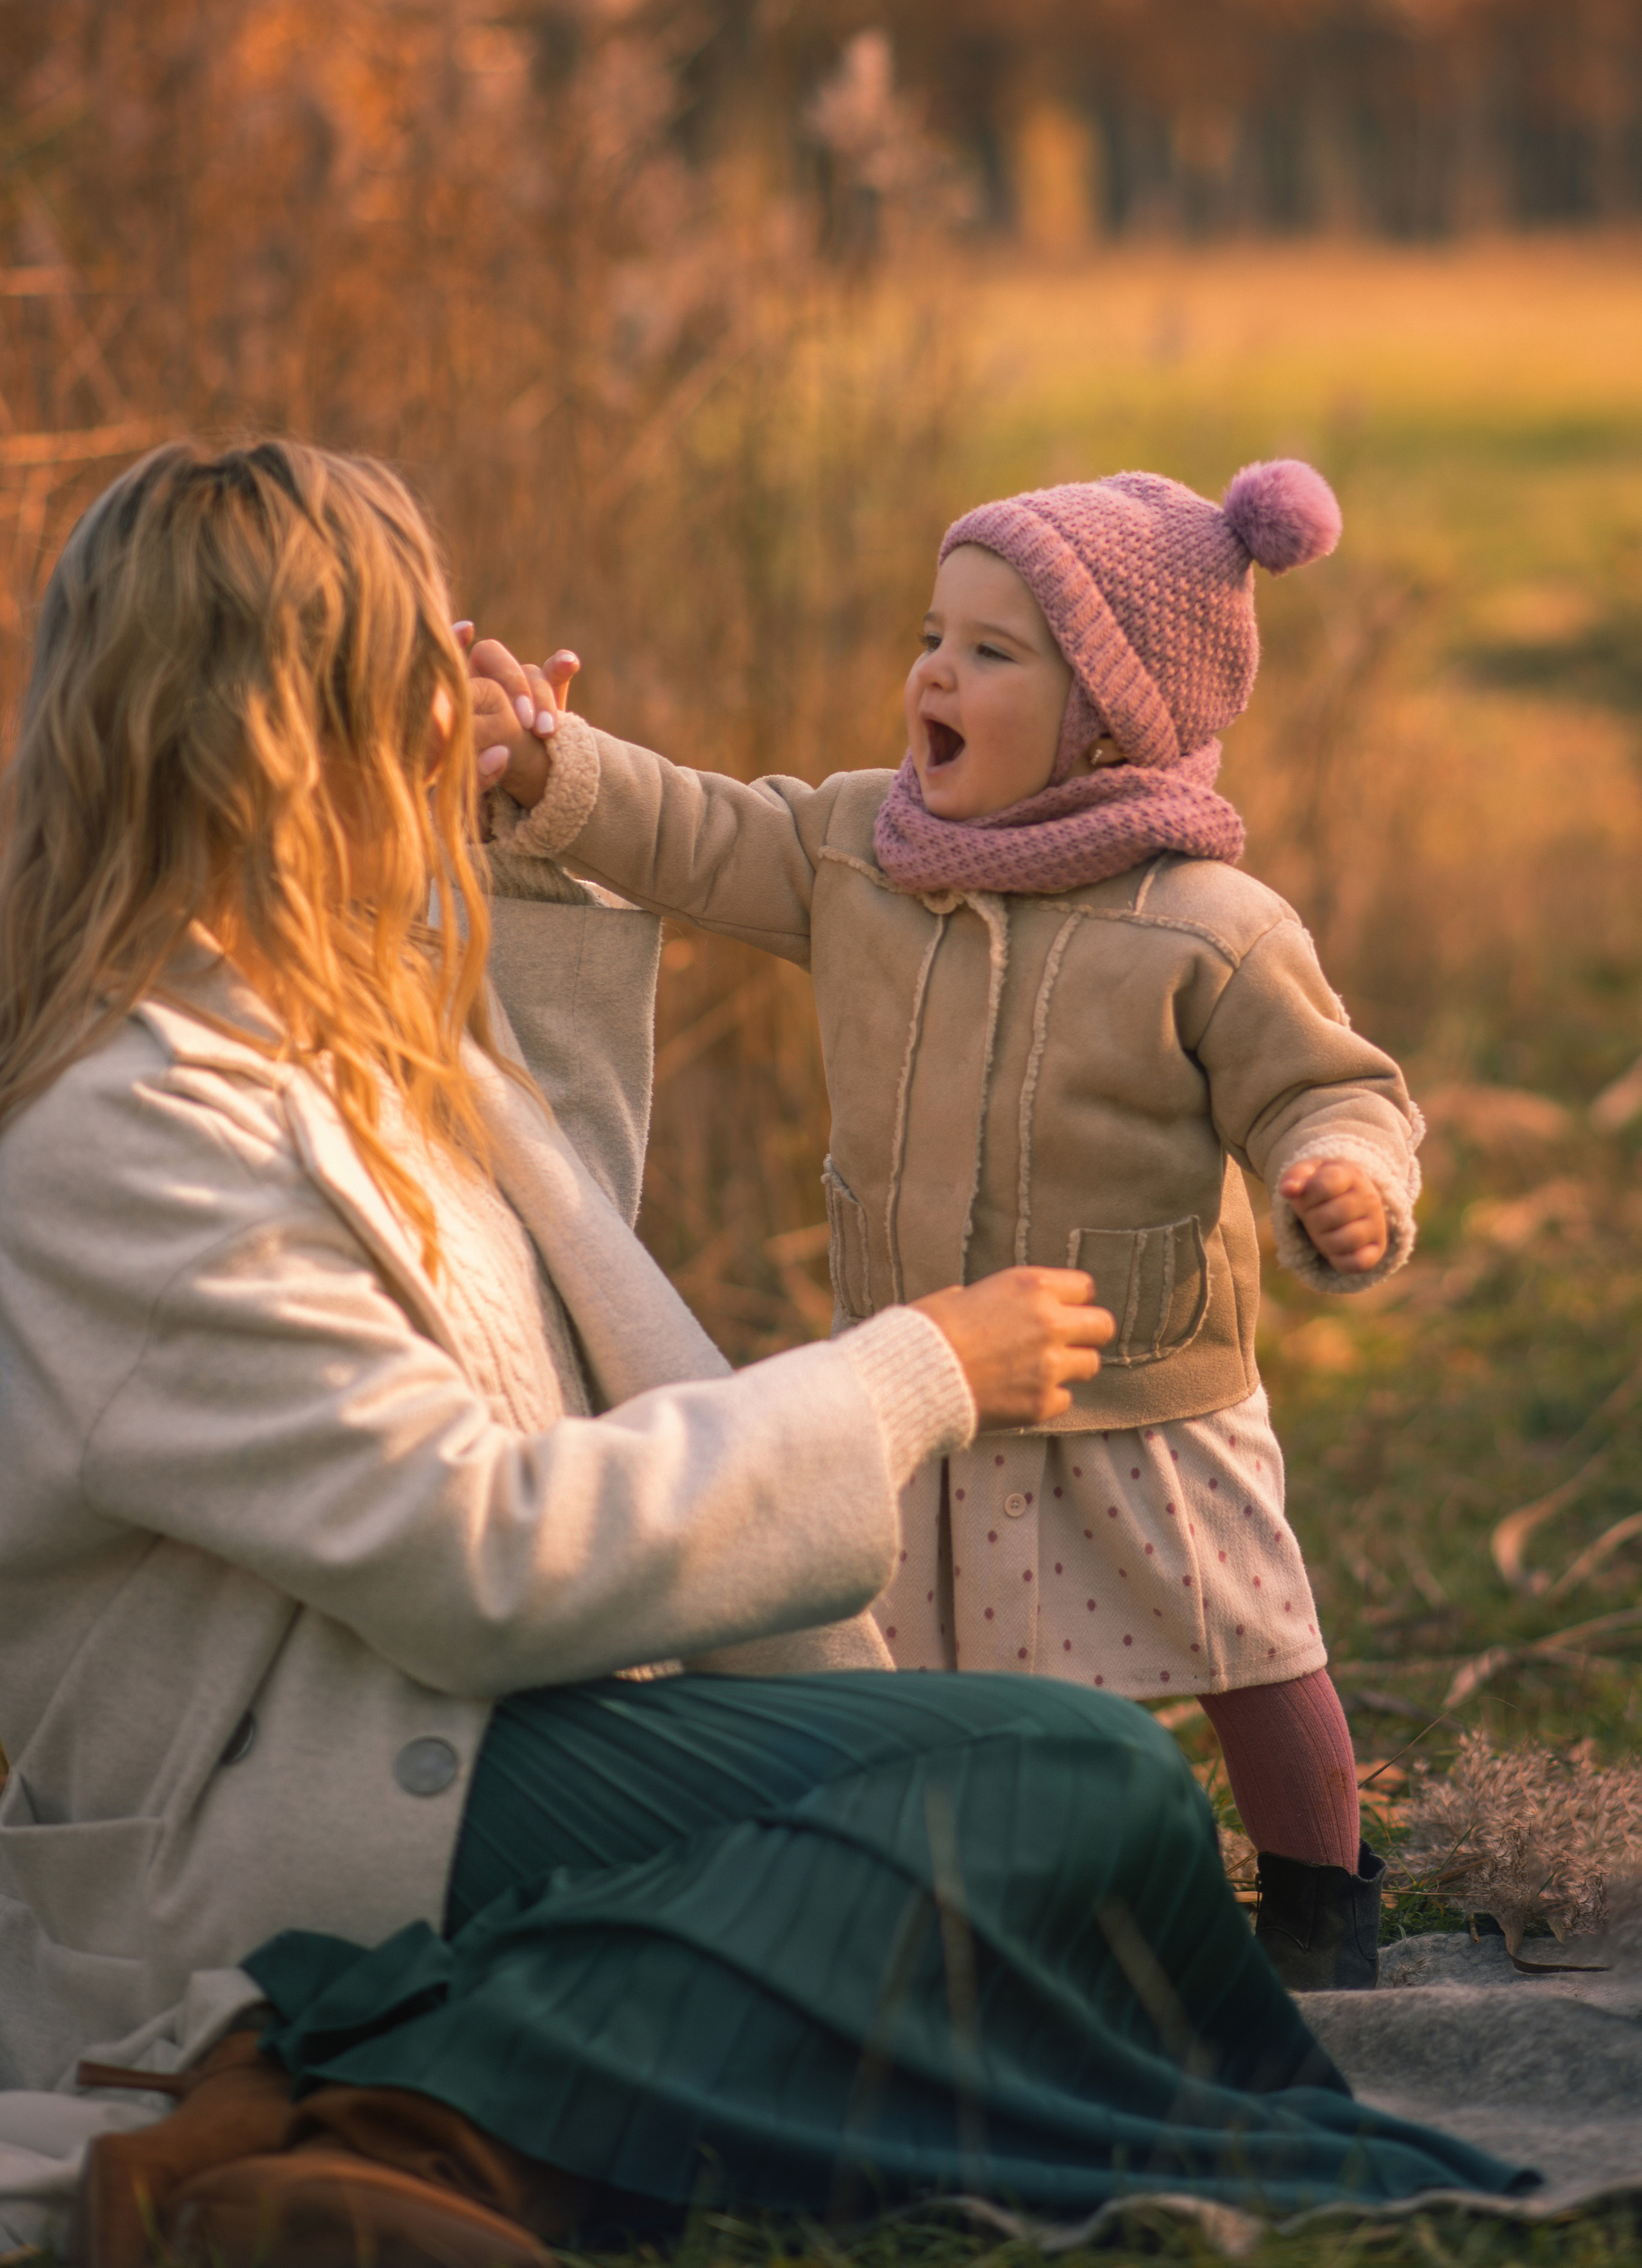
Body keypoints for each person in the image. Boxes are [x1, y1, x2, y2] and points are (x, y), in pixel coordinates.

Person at [0, 442, 1521, 2268]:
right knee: (1039, 1806)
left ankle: (474, 2109)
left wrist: (524, 818)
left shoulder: (313, 1000)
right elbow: (482, 1555)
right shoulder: (135, 1129)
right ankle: (399, 2117)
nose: (457, 693)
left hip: (472, 1725)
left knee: (1092, 1778)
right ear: (290, 731)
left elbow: (553, 1245)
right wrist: (914, 1371)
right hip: (304, 1794)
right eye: (417, 663)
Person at [467, 459, 1416, 1998]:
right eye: (930, 636)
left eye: (990, 652)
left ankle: (1318, 1911)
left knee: (1245, 1641)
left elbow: (1333, 1089)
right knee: (894, 1656)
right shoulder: (863, 851)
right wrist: (544, 766)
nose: (932, 674)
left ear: (1106, 714)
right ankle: (939, 1912)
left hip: (1145, 1392)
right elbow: (695, 829)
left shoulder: (1206, 924)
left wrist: (1342, 1177)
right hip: (924, 1372)